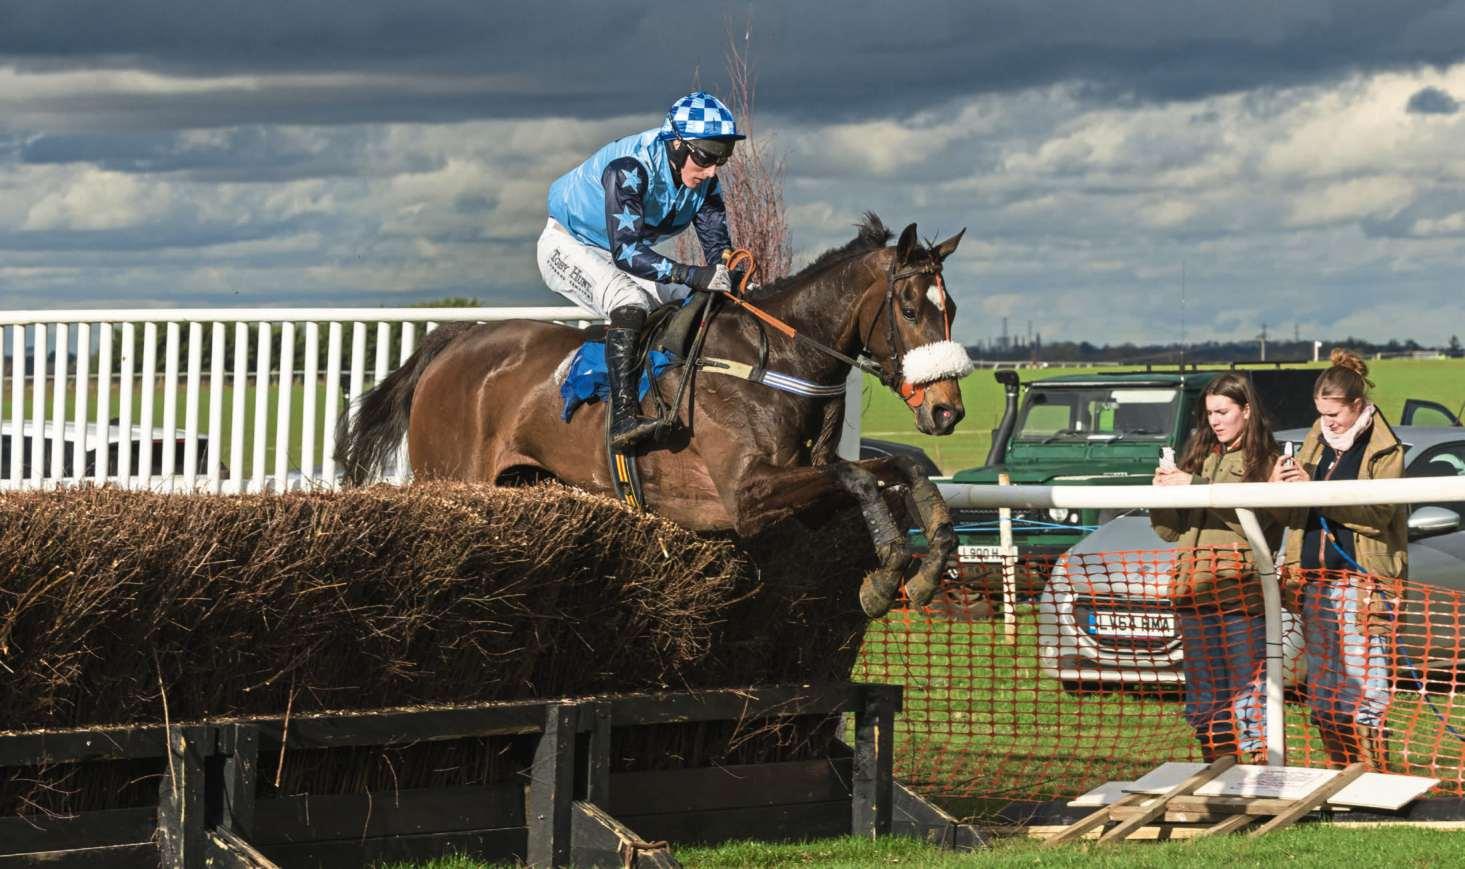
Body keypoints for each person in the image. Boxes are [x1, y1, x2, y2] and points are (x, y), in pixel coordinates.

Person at [539, 91, 744, 450]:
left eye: (721, 158)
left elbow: (717, 251)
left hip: (616, 249)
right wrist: (693, 274)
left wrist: (731, 275)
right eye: (705, 156)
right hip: (568, 243)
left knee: (697, 300)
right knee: (629, 301)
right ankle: (623, 418)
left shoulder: (706, 182)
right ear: (677, 144)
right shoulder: (630, 168)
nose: (712, 170)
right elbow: (628, 253)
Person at [1272, 349, 1405, 769]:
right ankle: (1340, 768)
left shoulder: (1384, 449)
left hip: (1361, 584)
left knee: (1366, 683)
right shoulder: (1315, 440)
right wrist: (1278, 488)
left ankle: (1372, 773)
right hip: (1313, 581)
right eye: (1321, 413)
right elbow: (1293, 515)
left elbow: (1379, 514)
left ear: (1358, 404)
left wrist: (1315, 490)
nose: (1327, 422)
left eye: (1335, 414)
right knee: (1325, 684)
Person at [1151, 373, 1283, 762]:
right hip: (1193, 591)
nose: (1215, 421)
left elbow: (1257, 521)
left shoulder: (1266, 460)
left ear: (1247, 410)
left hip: (1239, 592)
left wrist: (1194, 486)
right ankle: (1218, 766)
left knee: (1249, 692)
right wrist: (1161, 495)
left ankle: (1260, 769)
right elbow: (1168, 532)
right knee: (1205, 696)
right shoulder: (1199, 455)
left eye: (1223, 412)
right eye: (1210, 413)